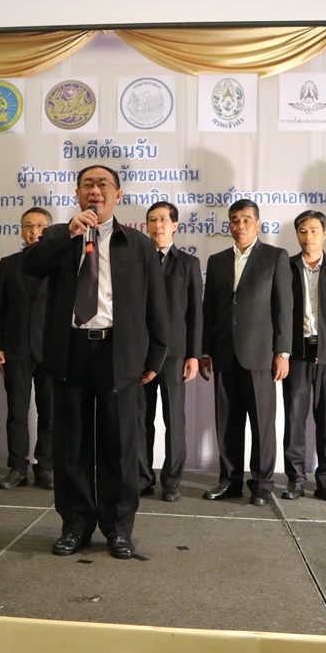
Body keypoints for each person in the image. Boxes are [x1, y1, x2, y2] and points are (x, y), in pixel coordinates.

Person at [24, 164, 167, 560]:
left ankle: (118, 529)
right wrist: (65, 234)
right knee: (71, 445)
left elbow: (156, 303)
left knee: (119, 445)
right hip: (70, 351)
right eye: (88, 184)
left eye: (104, 184)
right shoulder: (60, 237)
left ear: (118, 195)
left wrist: (156, 353)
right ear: (77, 194)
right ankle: (75, 526)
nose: (95, 190)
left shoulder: (138, 244)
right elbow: (30, 266)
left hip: (118, 352)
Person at [199, 199, 292, 506]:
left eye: (246, 220)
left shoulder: (275, 257)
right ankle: (229, 481)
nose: (240, 226)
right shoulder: (217, 261)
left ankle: (262, 485)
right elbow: (210, 309)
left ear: (257, 224)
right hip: (224, 353)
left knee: (262, 424)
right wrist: (205, 351)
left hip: (261, 355)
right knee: (227, 422)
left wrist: (283, 352)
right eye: (235, 221)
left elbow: (284, 308)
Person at [280, 210, 326, 503]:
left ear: (325, 233)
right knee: (294, 420)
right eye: (302, 231)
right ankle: (296, 480)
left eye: (313, 231)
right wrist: (280, 353)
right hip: (296, 356)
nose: (308, 236)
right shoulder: (285, 268)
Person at [138, 202, 202, 502]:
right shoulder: (137, 261)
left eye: (164, 219)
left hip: (175, 354)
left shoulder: (188, 263)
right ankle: (142, 478)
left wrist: (194, 355)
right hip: (141, 352)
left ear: (175, 225)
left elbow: (195, 313)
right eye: (152, 220)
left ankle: (172, 482)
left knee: (174, 420)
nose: (158, 225)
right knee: (140, 418)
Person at [0, 207, 55, 490]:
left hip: (51, 351)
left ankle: (46, 467)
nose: (34, 231)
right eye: (28, 226)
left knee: (49, 412)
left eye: (40, 226)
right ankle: (17, 467)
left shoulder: (61, 263)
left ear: (49, 231)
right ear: (21, 231)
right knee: (16, 412)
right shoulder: (8, 264)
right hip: (16, 349)